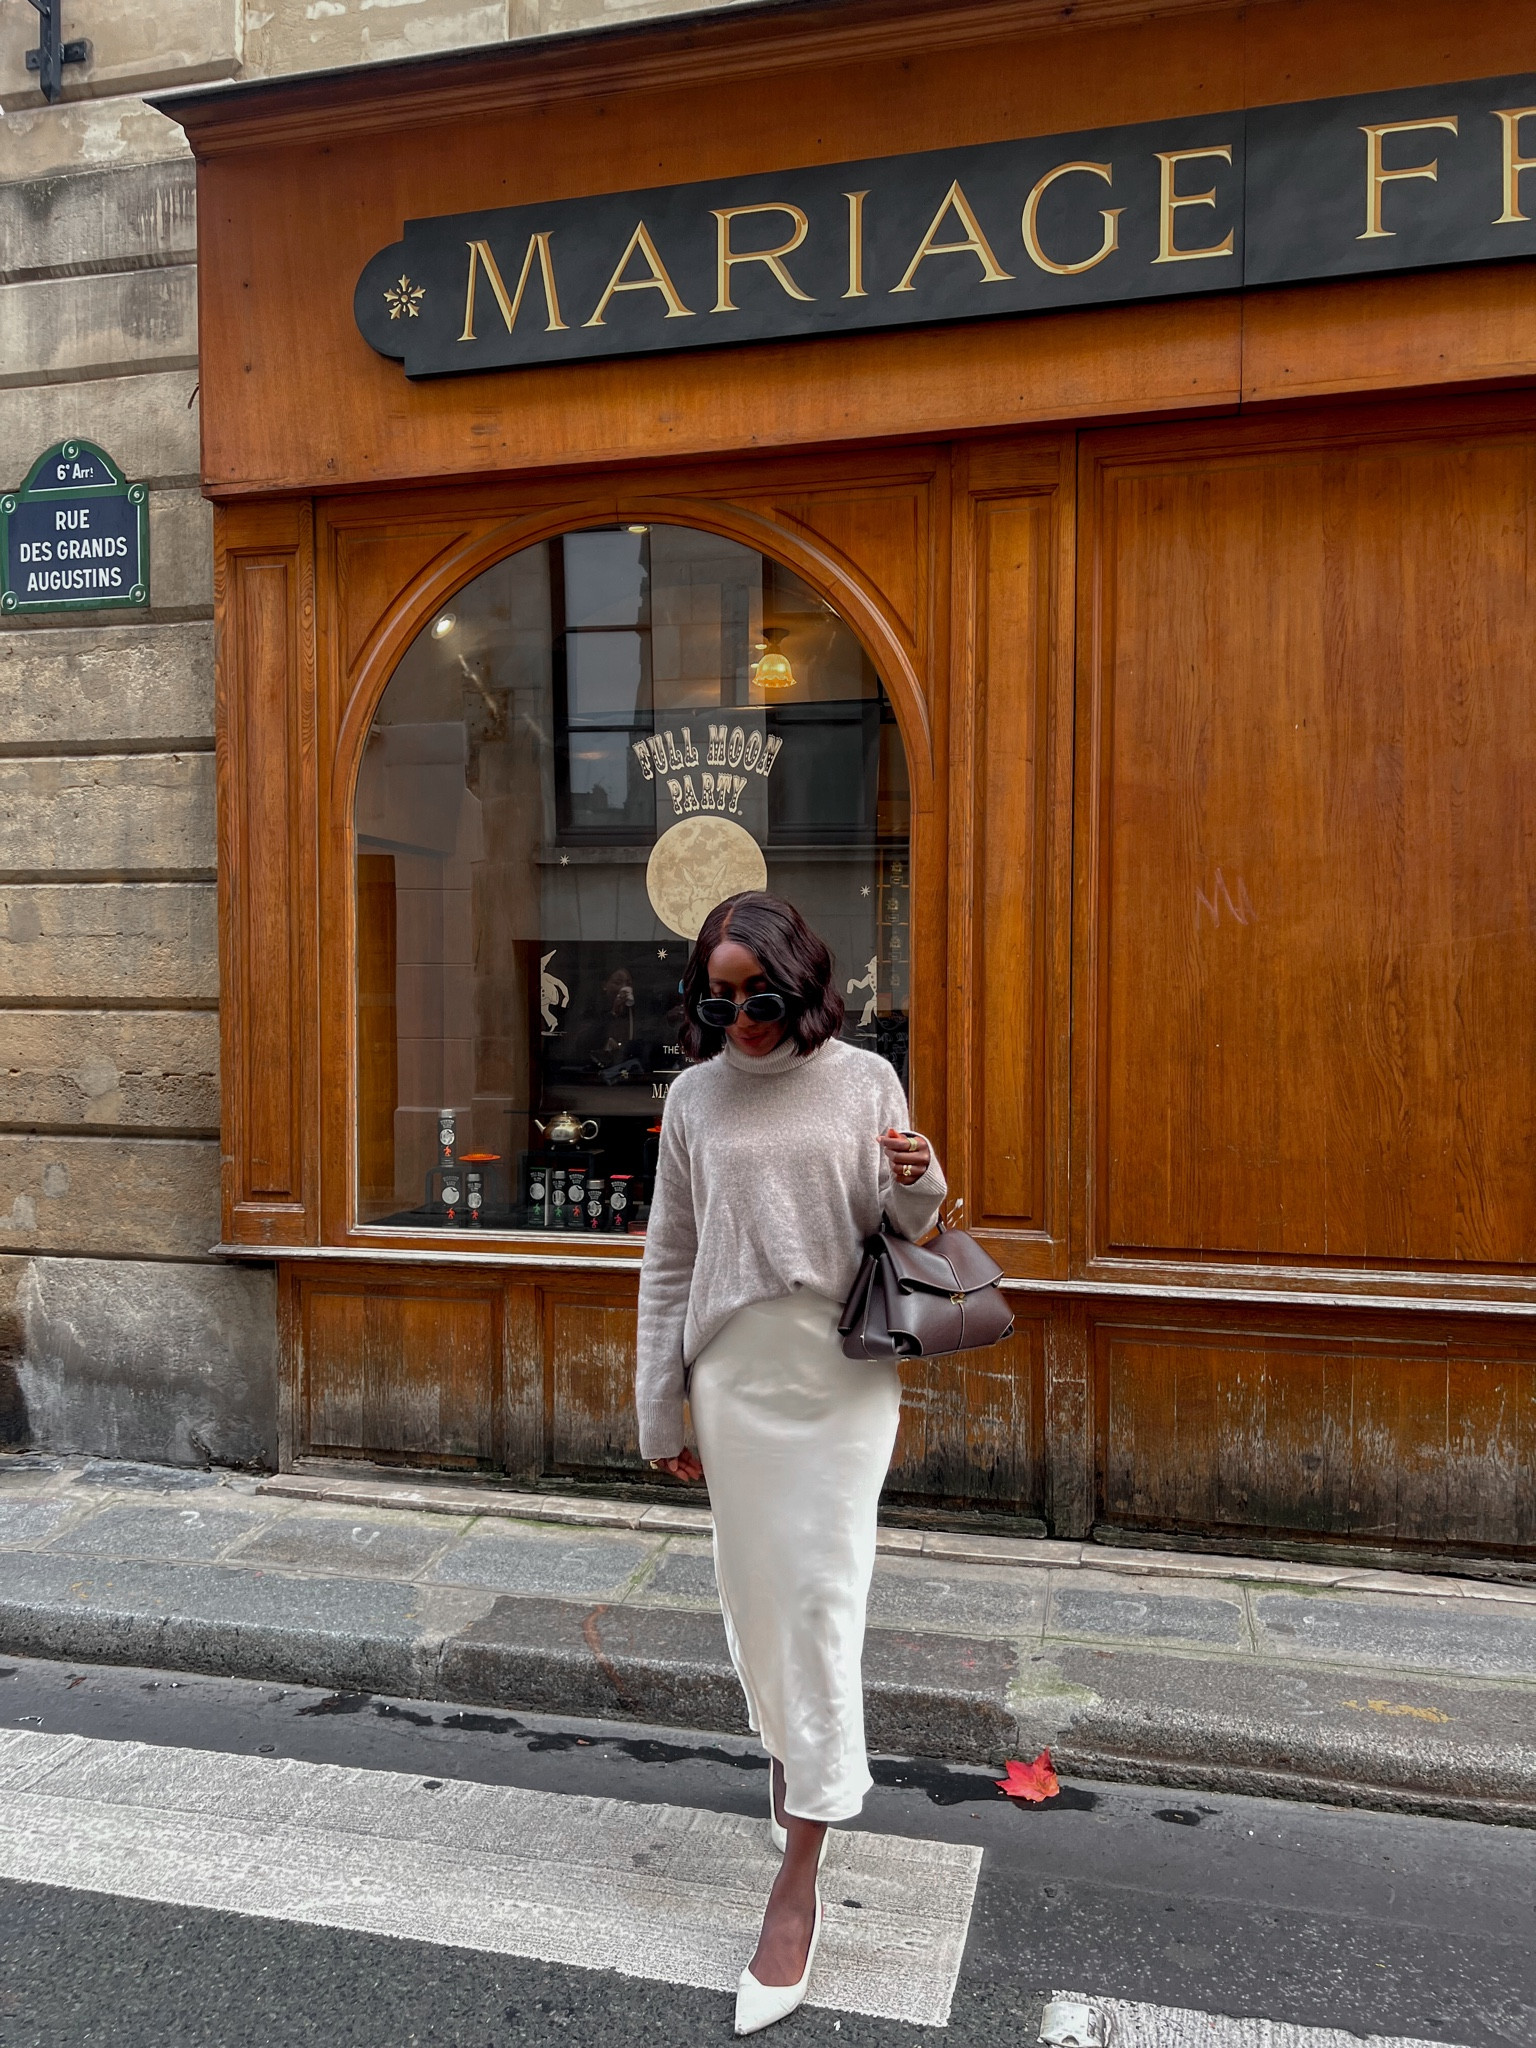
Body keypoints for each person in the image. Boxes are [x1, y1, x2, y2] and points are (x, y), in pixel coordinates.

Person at [634, 890, 945, 2035]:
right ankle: (786, 1752)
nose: (738, 1017)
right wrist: (658, 1408)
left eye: (756, 994)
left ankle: (797, 1880)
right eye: (716, 998)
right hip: (735, 1380)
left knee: (818, 1603)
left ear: (802, 986)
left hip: (840, 1380)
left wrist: (919, 1176)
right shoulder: (692, 1094)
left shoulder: (864, 1081)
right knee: (756, 1602)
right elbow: (668, 1258)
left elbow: (908, 1223)